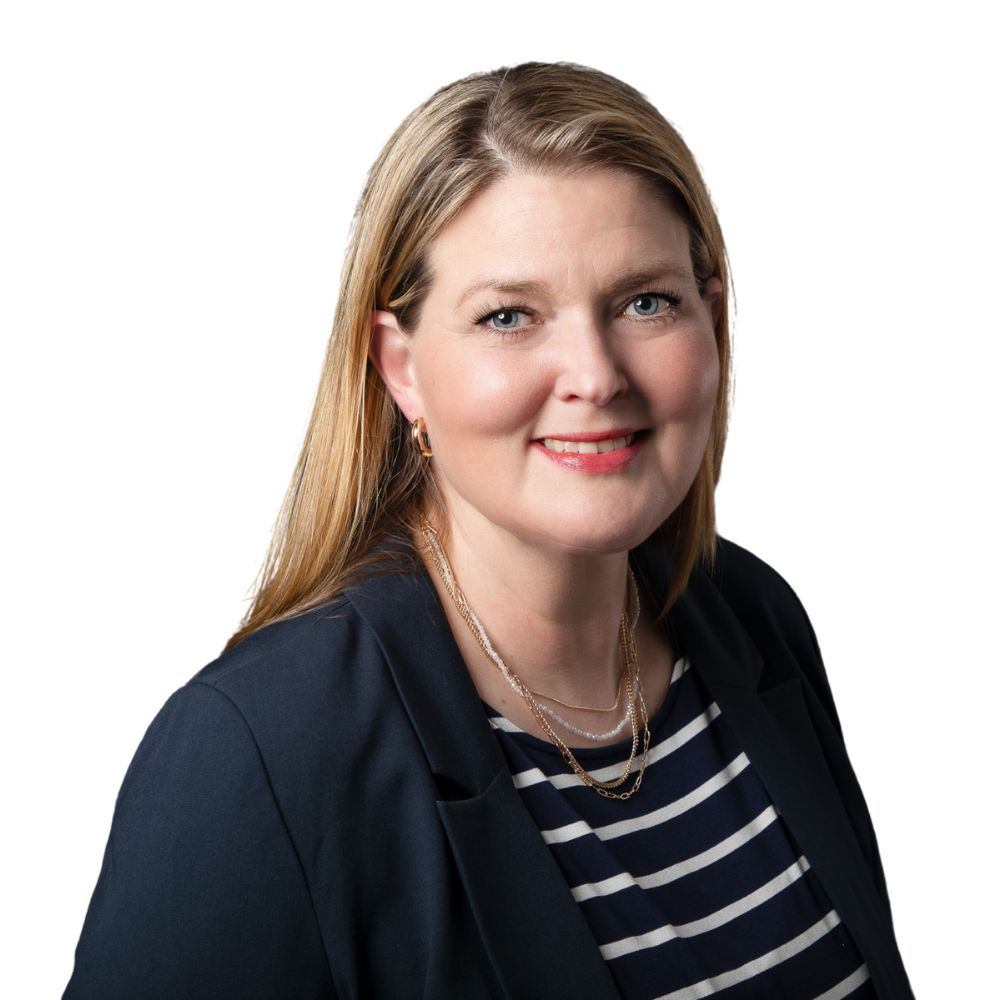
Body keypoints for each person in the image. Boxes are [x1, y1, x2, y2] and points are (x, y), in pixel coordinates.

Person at [63, 61, 913, 999]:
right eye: (510, 316)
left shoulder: (751, 617)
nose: (594, 375)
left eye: (646, 301)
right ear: (401, 368)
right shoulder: (258, 753)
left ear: (711, 320)